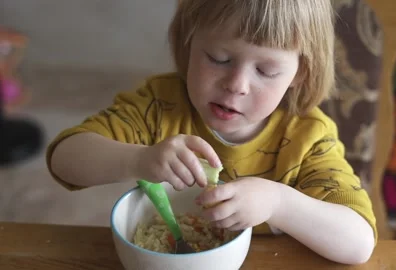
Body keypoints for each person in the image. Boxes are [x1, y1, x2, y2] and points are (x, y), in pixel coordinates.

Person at [46, 0, 377, 265]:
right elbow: (64, 158)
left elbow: (359, 243)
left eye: (266, 70)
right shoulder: (160, 105)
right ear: (190, 41)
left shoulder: (308, 137)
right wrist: (139, 159)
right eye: (219, 58)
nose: (236, 85)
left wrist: (278, 203)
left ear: (299, 73)